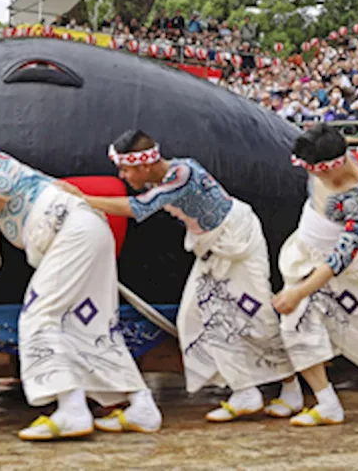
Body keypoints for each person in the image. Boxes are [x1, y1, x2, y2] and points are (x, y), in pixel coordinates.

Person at [0, 122, 160, 441]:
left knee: (39, 315)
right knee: (90, 324)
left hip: (68, 230)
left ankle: (71, 409)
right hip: (88, 230)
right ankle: (141, 406)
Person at [76, 130, 300, 422]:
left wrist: (84, 199)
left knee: (256, 315)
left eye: (125, 169)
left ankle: (292, 389)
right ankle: (245, 390)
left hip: (238, 243)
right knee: (195, 317)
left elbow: (139, 207)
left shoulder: (182, 175)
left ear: (144, 166)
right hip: (212, 249)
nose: (122, 176)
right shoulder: (168, 175)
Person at [273, 124, 358, 427]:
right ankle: (327, 402)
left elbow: (341, 258)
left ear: (334, 164)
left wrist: (299, 292)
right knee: (293, 326)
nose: (312, 175)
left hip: (347, 265)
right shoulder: (319, 167)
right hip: (305, 252)